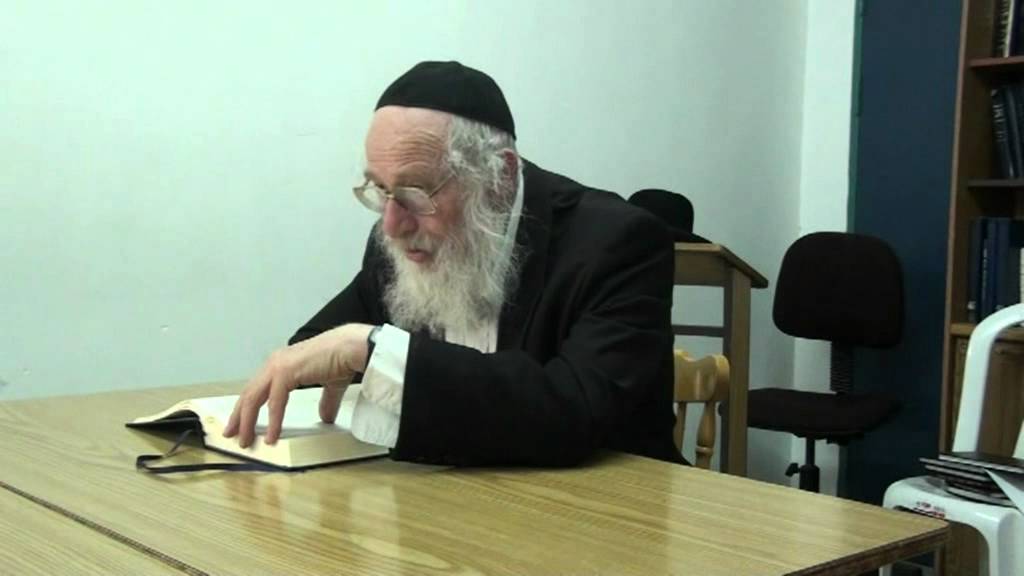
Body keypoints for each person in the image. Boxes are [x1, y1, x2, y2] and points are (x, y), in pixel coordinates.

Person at [223, 61, 682, 466]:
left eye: (416, 192)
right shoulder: (401, 239)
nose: (391, 225)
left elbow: (574, 411)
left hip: (609, 513)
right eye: (380, 189)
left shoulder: (617, 243)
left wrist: (371, 350)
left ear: (500, 177)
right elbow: (316, 352)